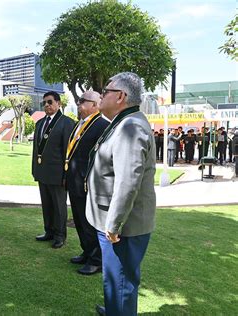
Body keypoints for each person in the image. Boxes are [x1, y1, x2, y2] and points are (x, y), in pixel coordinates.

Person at [85, 72, 156, 316]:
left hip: (123, 227)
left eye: (106, 91)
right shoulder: (124, 122)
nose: (101, 94)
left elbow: (127, 182)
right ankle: (116, 309)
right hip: (116, 223)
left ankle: (120, 310)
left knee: (122, 280)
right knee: (115, 279)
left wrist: (114, 225)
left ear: (121, 96)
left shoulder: (131, 127)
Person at [65, 91, 109, 275]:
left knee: (89, 222)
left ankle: (96, 260)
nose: (79, 104)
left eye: (83, 101)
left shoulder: (102, 125)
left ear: (95, 105)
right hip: (74, 181)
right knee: (79, 220)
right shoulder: (79, 124)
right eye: (79, 100)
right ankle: (86, 251)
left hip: (87, 183)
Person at [32, 91, 75, 249]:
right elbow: (36, 150)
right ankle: (48, 231)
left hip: (58, 174)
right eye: (44, 103)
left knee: (59, 206)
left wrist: (66, 175)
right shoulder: (39, 123)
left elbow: (68, 152)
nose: (47, 105)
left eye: (50, 102)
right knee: (46, 204)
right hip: (42, 172)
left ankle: (60, 235)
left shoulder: (66, 123)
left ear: (58, 103)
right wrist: (34, 170)